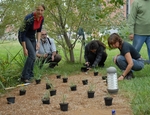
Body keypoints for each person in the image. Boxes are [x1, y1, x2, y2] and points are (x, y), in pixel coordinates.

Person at [18, 4, 45, 83]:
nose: (39, 12)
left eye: (41, 10)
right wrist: (24, 48)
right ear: (35, 10)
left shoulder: (41, 18)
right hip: (24, 37)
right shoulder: (29, 18)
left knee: (33, 57)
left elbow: (39, 31)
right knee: (32, 55)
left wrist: (38, 42)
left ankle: (30, 75)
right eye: (38, 10)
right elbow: (22, 34)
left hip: (32, 37)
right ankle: (24, 76)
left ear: (43, 11)